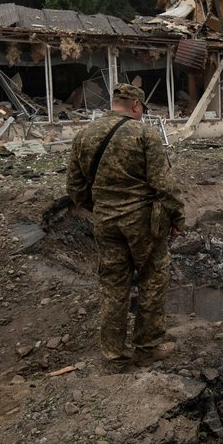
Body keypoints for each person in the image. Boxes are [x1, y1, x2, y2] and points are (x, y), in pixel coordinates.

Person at [66, 83, 185, 363]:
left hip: (106, 222)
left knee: (113, 285)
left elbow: (74, 186)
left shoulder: (84, 134)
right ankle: (147, 346)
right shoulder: (145, 134)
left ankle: (114, 353)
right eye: (142, 109)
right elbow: (164, 184)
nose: (142, 114)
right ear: (135, 105)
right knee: (152, 280)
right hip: (142, 222)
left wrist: (100, 207)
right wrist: (177, 217)